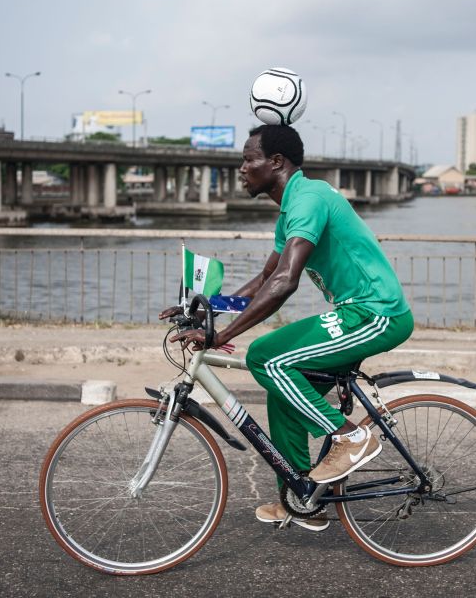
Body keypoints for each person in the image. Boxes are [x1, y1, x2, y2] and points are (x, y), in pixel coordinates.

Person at [164, 124, 413, 531]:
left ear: (276, 162)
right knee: (282, 393)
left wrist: (222, 336)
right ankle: (302, 497)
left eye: (249, 159)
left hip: (376, 313)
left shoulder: (309, 199)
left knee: (267, 358)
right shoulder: (292, 209)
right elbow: (266, 278)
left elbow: (285, 281)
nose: (242, 169)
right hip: (355, 312)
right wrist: (208, 310)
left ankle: (352, 438)